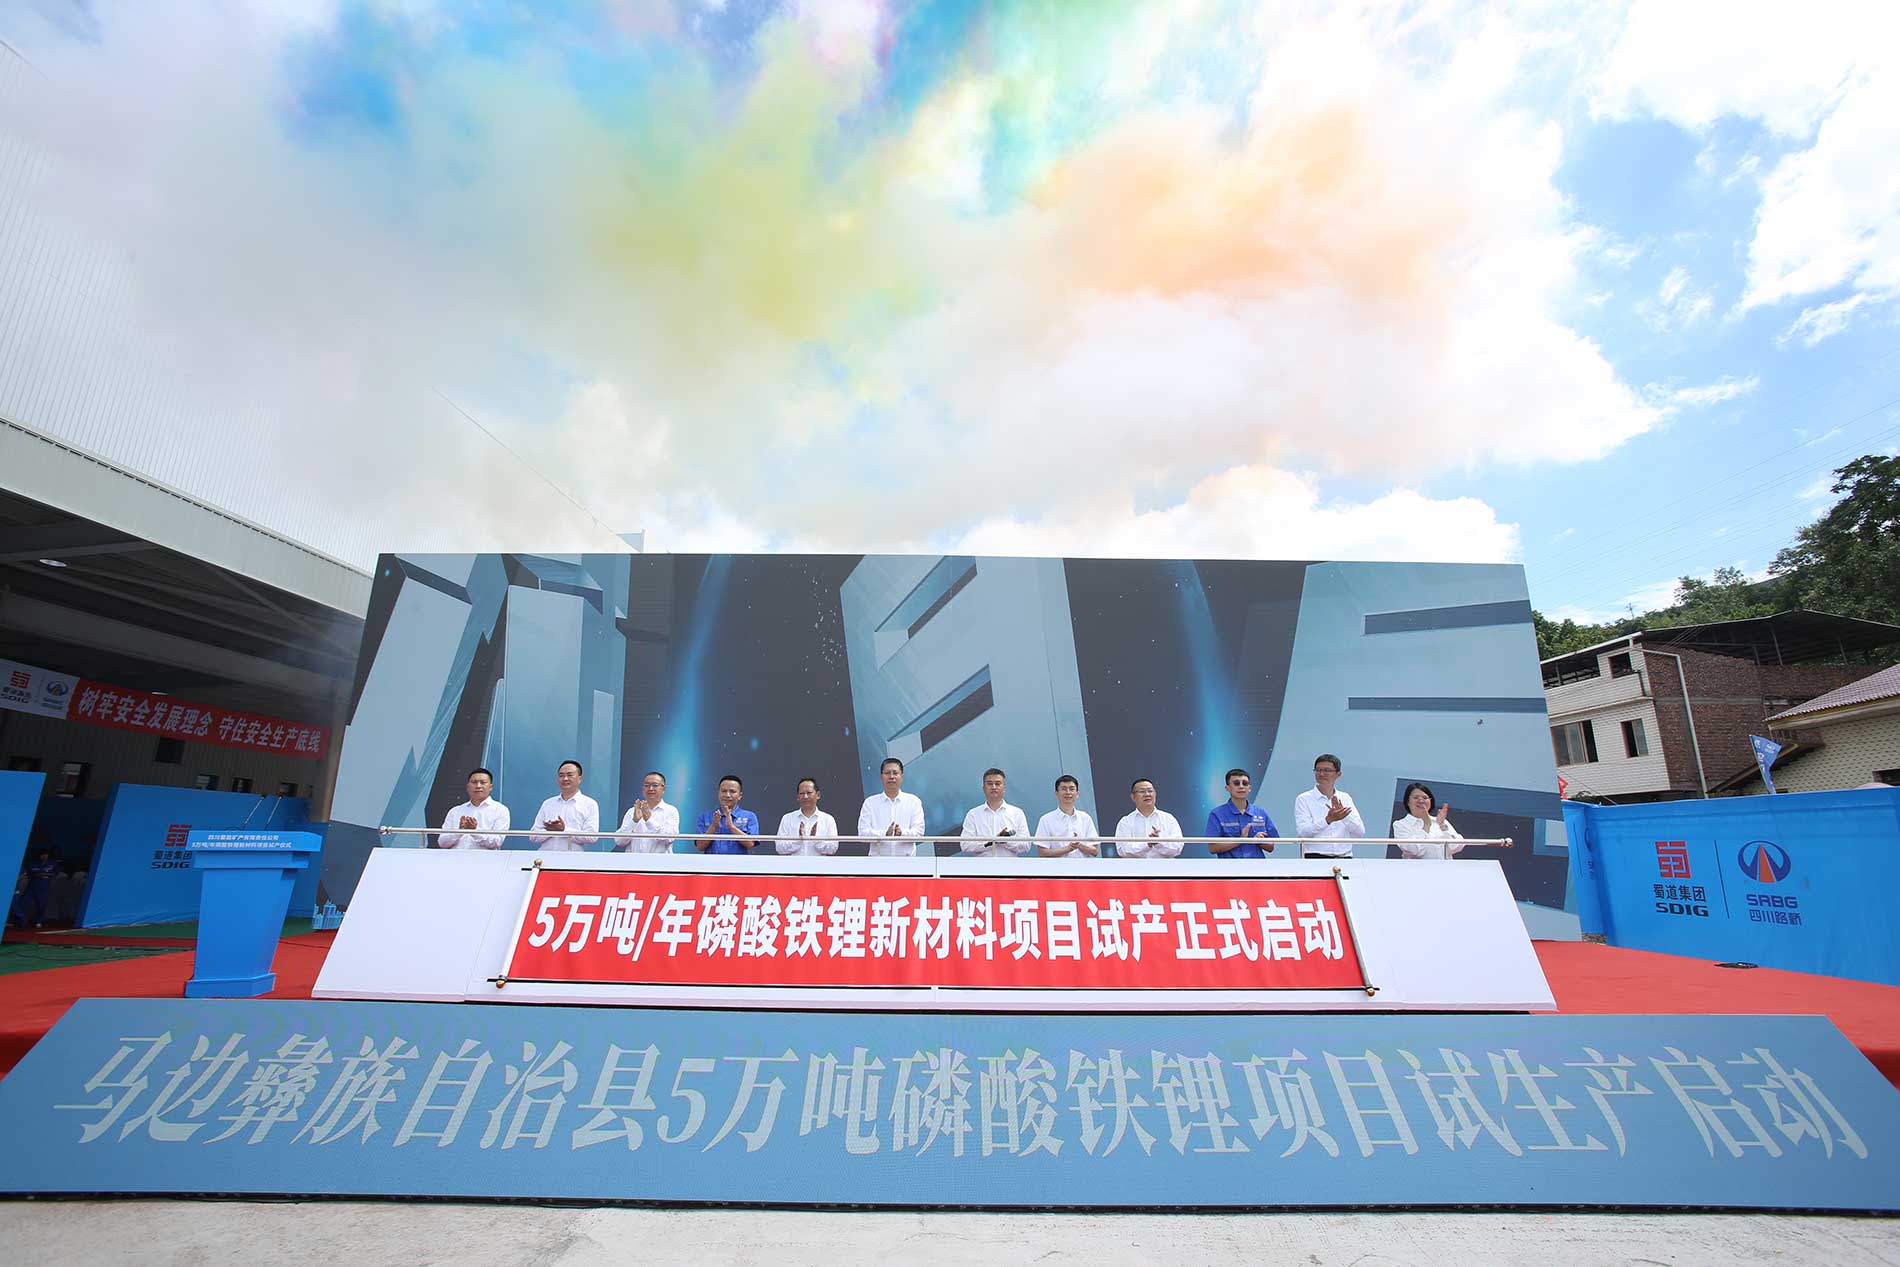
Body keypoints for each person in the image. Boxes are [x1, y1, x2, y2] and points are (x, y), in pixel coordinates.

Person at [1392, 783, 1509, 860]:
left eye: (1425, 797)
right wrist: (1426, 826)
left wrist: (1442, 825)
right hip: (1416, 875)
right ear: (1407, 802)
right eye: (1416, 797)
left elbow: (1457, 846)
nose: (1421, 800)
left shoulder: (1440, 821)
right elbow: (1415, 851)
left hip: (1445, 873)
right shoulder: (1401, 825)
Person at [1293, 753, 1364, 859]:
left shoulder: (1345, 798)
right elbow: (1303, 833)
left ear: (1338, 774)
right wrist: (1327, 820)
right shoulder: (1304, 799)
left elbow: (1360, 832)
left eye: (1327, 770)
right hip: (1315, 857)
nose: (1321, 774)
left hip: (1345, 857)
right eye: (1318, 770)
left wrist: (1344, 817)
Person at [858, 756, 927, 857]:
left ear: (902, 776)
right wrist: (885, 834)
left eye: (895, 773)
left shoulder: (913, 801)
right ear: (881, 777)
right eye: (887, 773)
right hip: (877, 862)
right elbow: (862, 833)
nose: (891, 777)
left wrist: (902, 833)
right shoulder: (870, 803)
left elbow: (919, 832)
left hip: (907, 862)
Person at [527, 759, 601, 852]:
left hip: (572, 858)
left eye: (570, 775)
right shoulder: (548, 803)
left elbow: (592, 837)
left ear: (580, 779)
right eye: (561, 775)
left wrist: (564, 830)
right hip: (545, 856)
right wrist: (550, 831)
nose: (565, 779)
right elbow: (533, 836)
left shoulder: (589, 804)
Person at [959, 767, 1032, 857]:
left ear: (1004, 788)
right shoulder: (973, 814)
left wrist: (1006, 841)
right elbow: (965, 845)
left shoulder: (1017, 813)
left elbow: (1026, 845)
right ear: (984, 788)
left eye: (997, 784)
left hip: (1009, 865)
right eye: (990, 784)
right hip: (982, 865)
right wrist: (992, 842)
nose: (994, 787)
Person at [1206, 767, 1277, 858]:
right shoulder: (1217, 814)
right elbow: (1213, 848)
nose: (1241, 786)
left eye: (1245, 783)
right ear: (1227, 788)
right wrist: (1240, 840)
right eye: (1236, 783)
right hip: (1229, 866)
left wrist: (1259, 841)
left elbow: (1271, 847)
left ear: (1250, 788)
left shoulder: (1261, 812)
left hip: (1257, 865)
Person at [434, 767, 511, 850]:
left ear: (490, 787)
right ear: (468, 787)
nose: (478, 786)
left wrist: (475, 831)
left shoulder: (500, 810)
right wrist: (459, 831)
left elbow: (497, 841)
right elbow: (442, 842)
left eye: (483, 782)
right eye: (474, 782)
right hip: (454, 857)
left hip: (483, 858)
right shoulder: (455, 811)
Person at [1114, 778, 1183, 859]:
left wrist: (1159, 842)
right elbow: (1122, 850)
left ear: (1155, 794)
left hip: (1164, 866)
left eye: (1150, 791)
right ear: (1133, 797)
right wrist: (1147, 844)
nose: (1147, 794)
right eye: (1142, 791)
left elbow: (1178, 847)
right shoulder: (1125, 822)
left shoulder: (1168, 819)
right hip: (1136, 866)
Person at [615, 771, 680, 853]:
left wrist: (649, 820)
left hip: (659, 861)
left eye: (655, 785)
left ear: (663, 788)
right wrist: (634, 821)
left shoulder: (671, 811)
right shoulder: (632, 811)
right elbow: (619, 841)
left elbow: (669, 839)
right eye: (646, 785)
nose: (650, 789)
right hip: (634, 860)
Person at [1036, 774, 1099, 857]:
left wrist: (1079, 844)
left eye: (1071, 789)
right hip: (1057, 865)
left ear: (1077, 794)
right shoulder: (1046, 820)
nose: (1068, 792)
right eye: (1064, 789)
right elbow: (1042, 853)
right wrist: (1068, 848)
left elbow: (1095, 851)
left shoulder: (1085, 818)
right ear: (1056, 793)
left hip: (1082, 865)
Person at [695, 774, 760, 854]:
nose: (727, 795)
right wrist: (714, 827)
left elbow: (751, 844)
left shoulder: (750, 816)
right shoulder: (704, 816)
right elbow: (700, 846)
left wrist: (731, 827)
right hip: (711, 861)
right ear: (718, 793)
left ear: (740, 796)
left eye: (732, 791)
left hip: (738, 861)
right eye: (724, 791)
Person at [776, 777, 840, 855]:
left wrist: (815, 840)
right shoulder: (787, 818)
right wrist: (798, 841)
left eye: (809, 793)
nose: (805, 796)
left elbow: (833, 848)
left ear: (818, 795)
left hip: (819, 863)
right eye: (802, 793)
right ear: (797, 797)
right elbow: (779, 848)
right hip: (794, 863)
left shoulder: (828, 819)